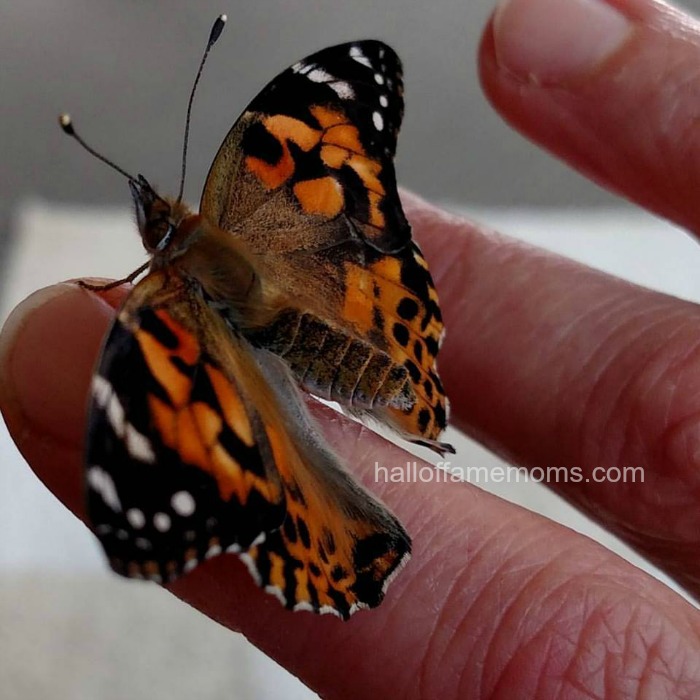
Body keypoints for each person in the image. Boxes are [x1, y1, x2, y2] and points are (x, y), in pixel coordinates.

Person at [3, 0, 700, 695]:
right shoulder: (246, 188)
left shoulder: (156, 318)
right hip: (356, 306)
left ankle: (364, 463)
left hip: (308, 323)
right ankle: (369, 459)